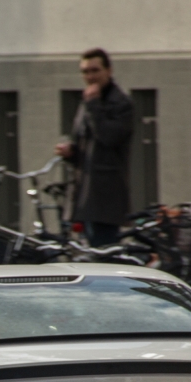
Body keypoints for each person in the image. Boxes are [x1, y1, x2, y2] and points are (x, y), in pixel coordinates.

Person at [55, 48, 134, 248]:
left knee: (104, 251)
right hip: (84, 193)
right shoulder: (89, 102)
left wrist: (93, 105)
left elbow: (108, 137)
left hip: (105, 197)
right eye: (85, 72)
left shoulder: (120, 103)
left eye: (95, 70)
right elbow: (84, 143)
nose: (90, 77)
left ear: (109, 71)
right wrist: (70, 152)